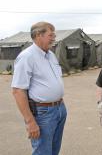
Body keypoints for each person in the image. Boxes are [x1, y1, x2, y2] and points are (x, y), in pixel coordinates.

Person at [11, 21, 67, 155]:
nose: (54, 38)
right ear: (38, 35)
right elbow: (18, 91)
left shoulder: (51, 55)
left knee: (54, 150)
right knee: (43, 151)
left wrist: (60, 102)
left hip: (59, 109)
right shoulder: (27, 57)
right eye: (51, 35)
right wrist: (30, 121)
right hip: (43, 113)